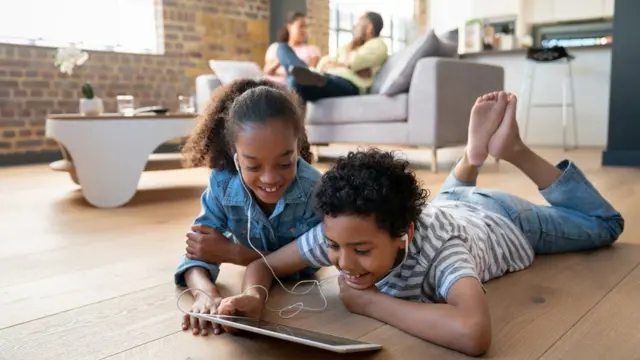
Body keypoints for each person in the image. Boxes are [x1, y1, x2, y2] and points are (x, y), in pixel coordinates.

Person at [214, 91, 624, 356]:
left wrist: (370, 302)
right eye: (335, 248)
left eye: (360, 251)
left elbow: (473, 332)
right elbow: (264, 265)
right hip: (446, 204)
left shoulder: (443, 254)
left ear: (403, 236)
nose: (342, 263)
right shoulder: (344, 231)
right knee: (443, 202)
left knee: (605, 225)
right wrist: (253, 296)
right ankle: (471, 157)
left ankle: (511, 149)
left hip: (500, 218)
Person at [175, 78, 323, 337]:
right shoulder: (222, 185)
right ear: (236, 155)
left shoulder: (314, 189)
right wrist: (206, 293)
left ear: (297, 148)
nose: (270, 179)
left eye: (285, 163)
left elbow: (307, 265)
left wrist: (233, 253)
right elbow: (196, 254)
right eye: (253, 166)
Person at [275, 11, 389, 101]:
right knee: (283, 53)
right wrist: (344, 64)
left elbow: (353, 61)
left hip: (348, 85)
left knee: (296, 80)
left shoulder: (378, 44)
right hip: (325, 79)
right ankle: (302, 71)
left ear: (369, 27)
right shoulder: (351, 47)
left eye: (360, 22)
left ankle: (303, 72)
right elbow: (325, 61)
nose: (356, 25)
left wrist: (346, 56)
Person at [263, 12, 320, 85]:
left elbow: (311, 74)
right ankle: (297, 69)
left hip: (294, 85)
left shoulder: (312, 50)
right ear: (289, 27)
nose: (304, 30)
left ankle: (297, 71)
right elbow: (267, 71)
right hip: (272, 85)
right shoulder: (276, 47)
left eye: (306, 27)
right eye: (301, 26)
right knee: (282, 48)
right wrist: (283, 57)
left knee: (295, 79)